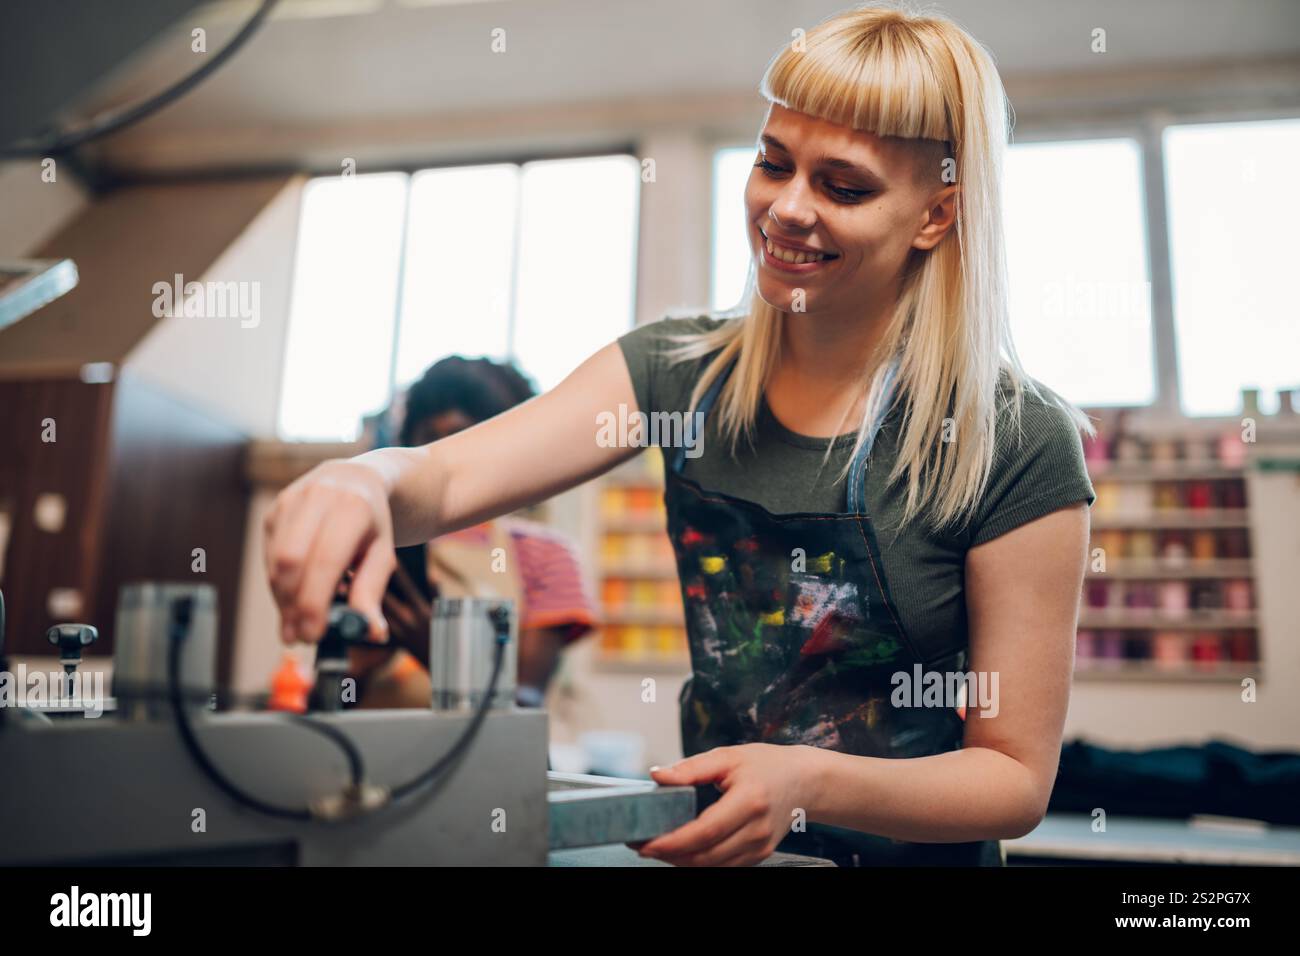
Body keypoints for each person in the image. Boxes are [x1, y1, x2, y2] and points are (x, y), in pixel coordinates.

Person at [263, 4, 1094, 866]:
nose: (787, 210)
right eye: (774, 164)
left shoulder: (1016, 439)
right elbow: (444, 480)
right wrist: (363, 481)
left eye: (844, 187)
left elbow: (1012, 778)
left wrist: (807, 782)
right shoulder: (676, 372)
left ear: (936, 215)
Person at [347, 356, 600, 710]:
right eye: (429, 440)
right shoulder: (373, 549)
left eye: (458, 438)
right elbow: (331, 704)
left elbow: (524, 709)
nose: (440, 458)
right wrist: (355, 668)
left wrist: (440, 653)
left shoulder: (544, 556)